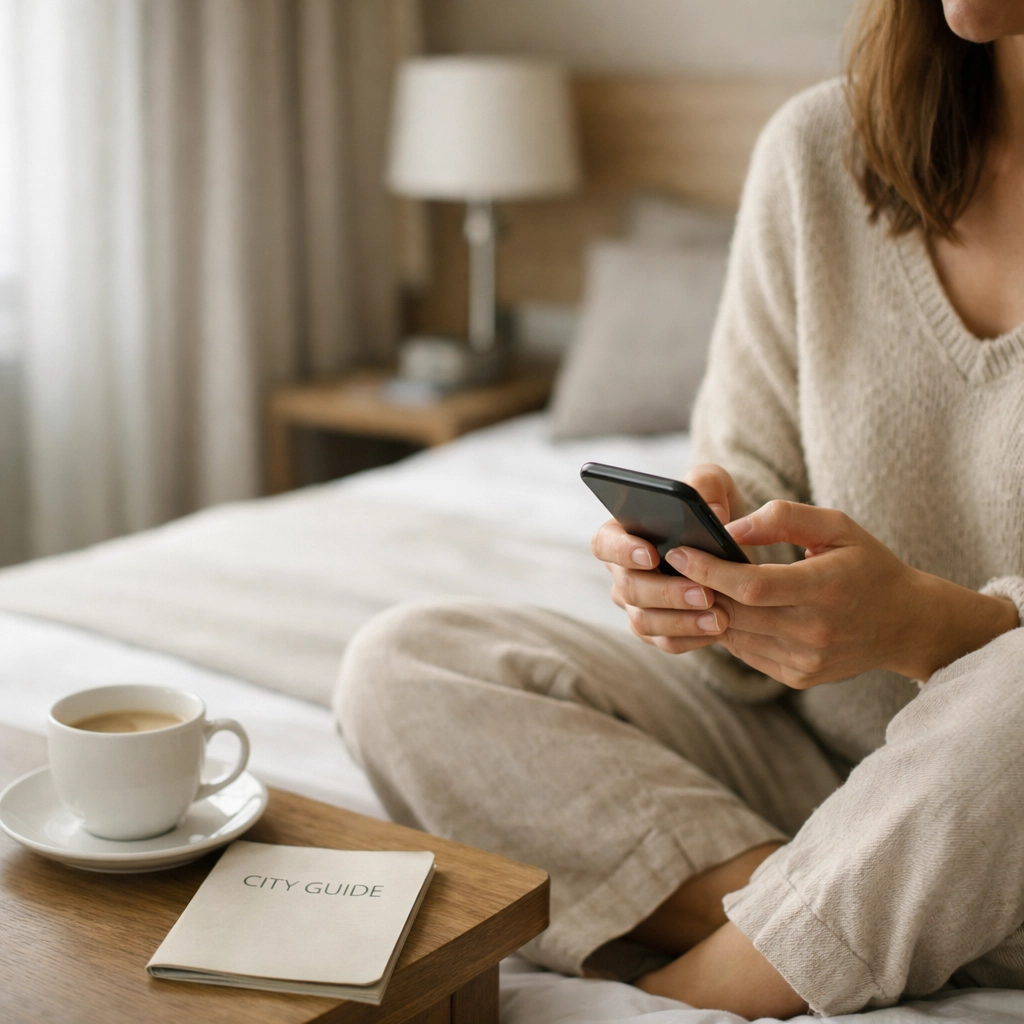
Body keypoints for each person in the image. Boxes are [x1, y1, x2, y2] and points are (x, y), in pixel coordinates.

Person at [334, 0, 1024, 1016]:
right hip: (810, 765)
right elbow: (742, 488)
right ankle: (874, 916)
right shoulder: (820, 152)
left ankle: (717, 978)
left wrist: (925, 626)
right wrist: (702, 588)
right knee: (403, 663)